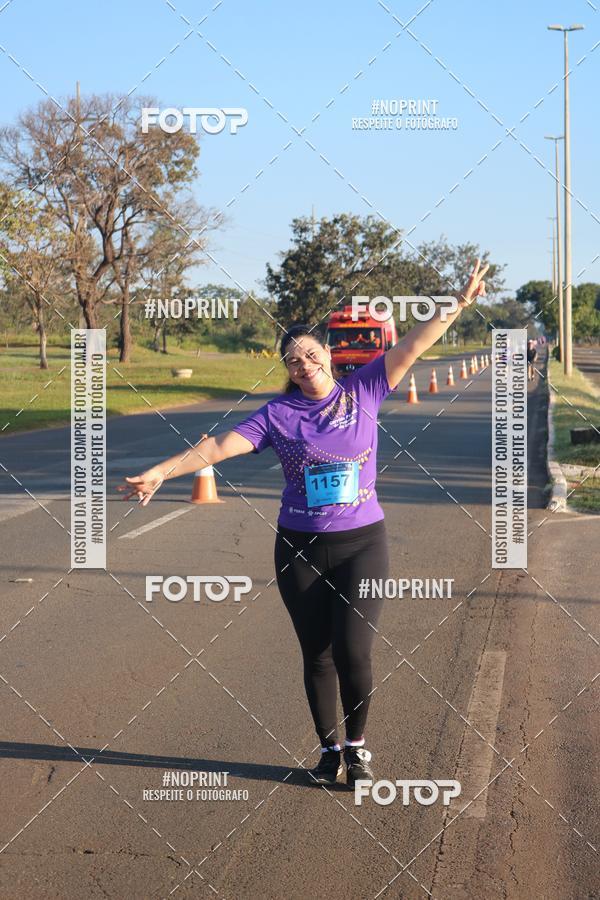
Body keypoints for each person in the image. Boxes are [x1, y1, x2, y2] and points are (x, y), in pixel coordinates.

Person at [119, 259, 489, 788]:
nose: (303, 364)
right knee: (315, 653)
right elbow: (221, 446)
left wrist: (458, 301)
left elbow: (413, 345)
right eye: (293, 361)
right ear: (287, 369)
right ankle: (328, 749)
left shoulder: (364, 390)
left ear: (329, 356)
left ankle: (357, 749)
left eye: (311, 354)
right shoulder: (276, 416)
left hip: (363, 542)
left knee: (353, 649)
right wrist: (160, 472)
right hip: (299, 547)